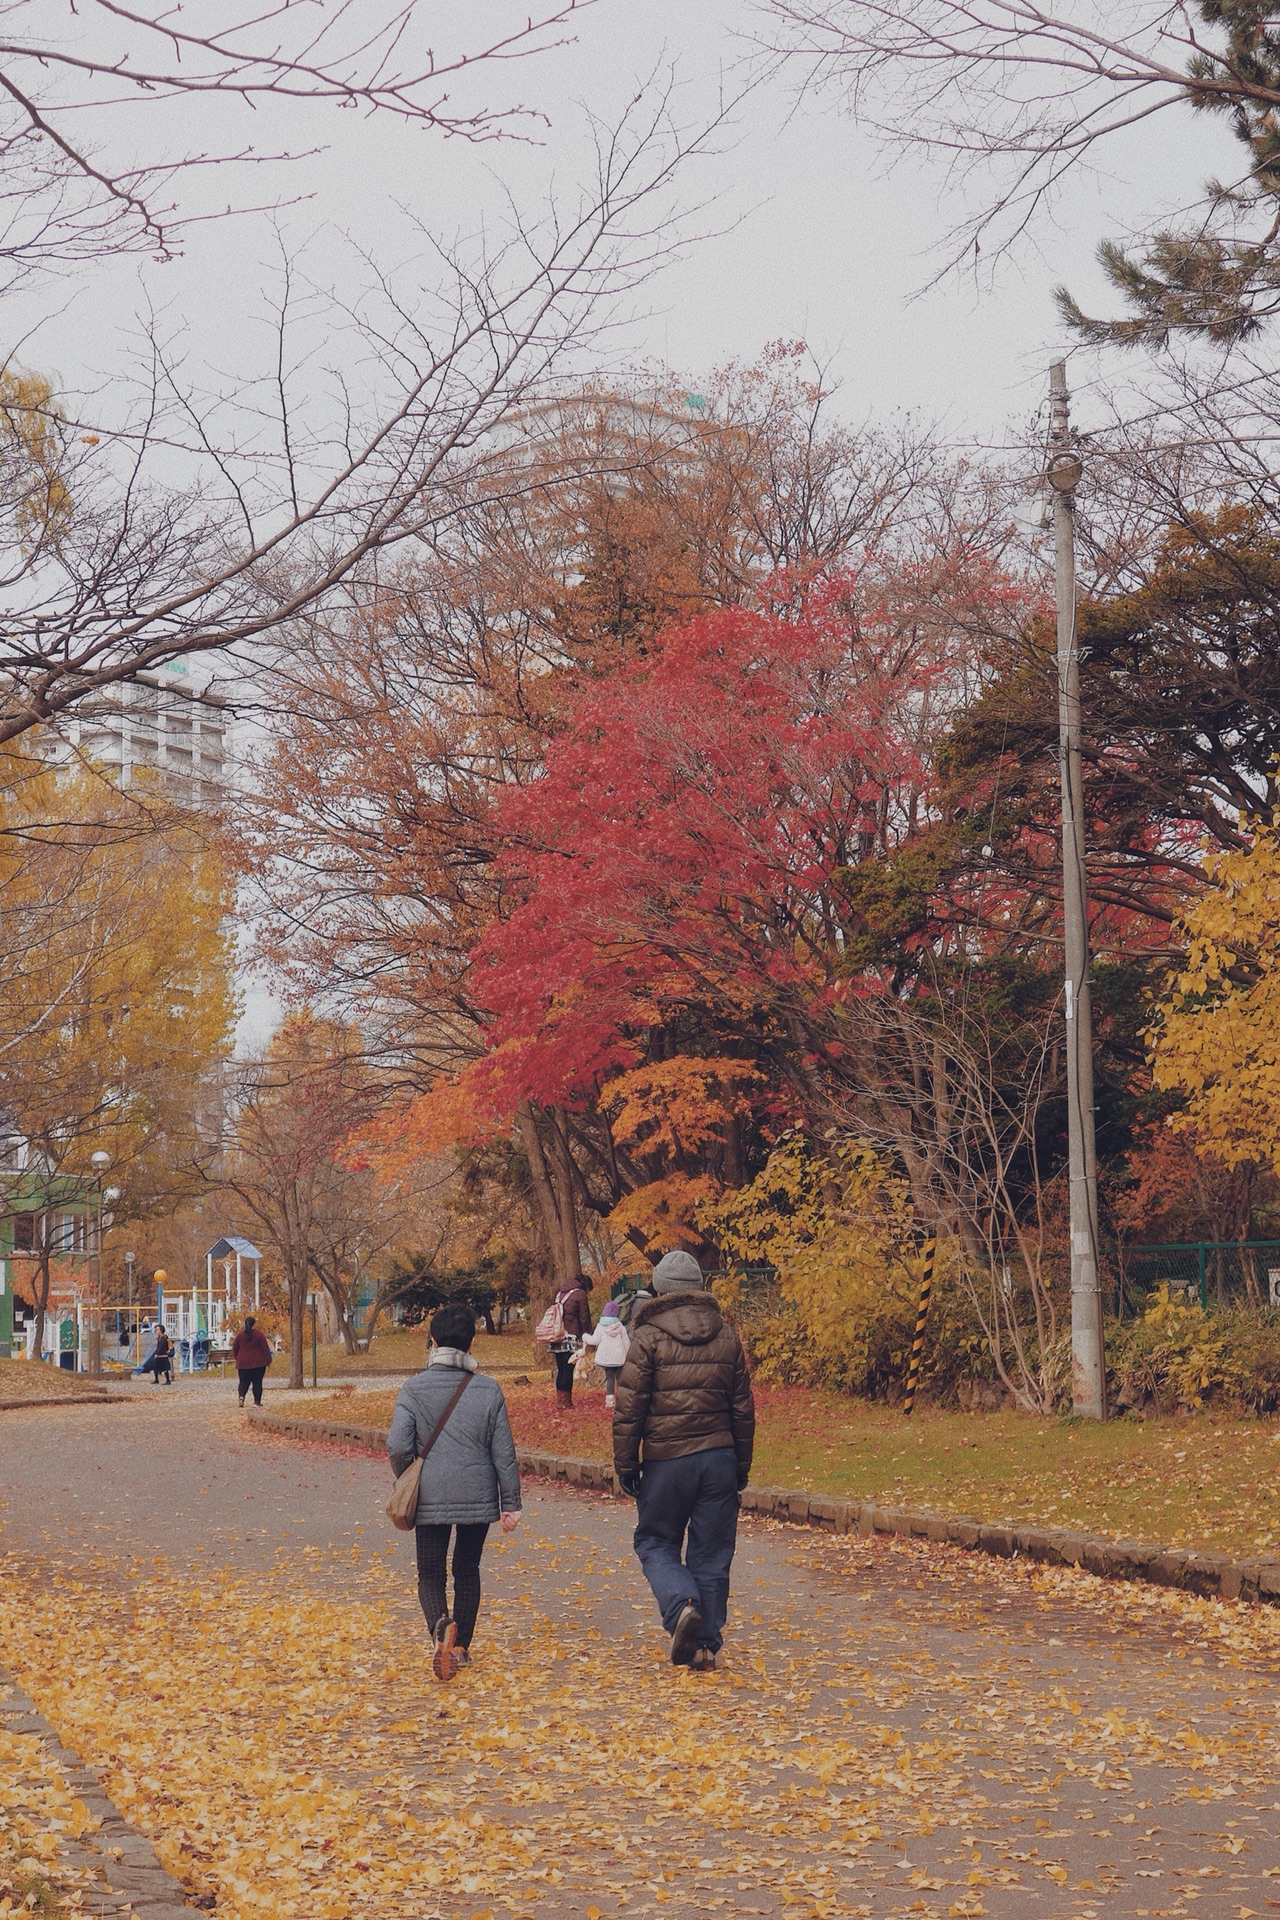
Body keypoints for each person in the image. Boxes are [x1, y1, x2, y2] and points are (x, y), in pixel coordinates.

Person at [613, 1249, 755, 1673]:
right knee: (712, 1554)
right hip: (718, 1460)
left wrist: (626, 1466)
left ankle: (680, 1610)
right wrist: (740, 1466)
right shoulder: (727, 1335)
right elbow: (743, 1409)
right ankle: (704, 1647)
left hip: (666, 1462)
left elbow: (629, 1410)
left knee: (654, 1541)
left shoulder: (647, 1337)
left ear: (659, 1289)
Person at [387, 1301, 522, 1682]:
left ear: (432, 1341)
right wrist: (510, 1503)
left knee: (430, 1573)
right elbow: (504, 1452)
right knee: (467, 1569)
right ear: (471, 1344)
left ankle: (439, 1626)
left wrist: (408, 1475)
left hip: (429, 1494)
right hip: (478, 1496)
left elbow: (398, 1444)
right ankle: (460, 1648)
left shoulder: (413, 1389)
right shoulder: (488, 1390)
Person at [548, 1272, 593, 1411]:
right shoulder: (580, 1294)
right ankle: (566, 1401)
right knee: (568, 1369)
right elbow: (584, 1317)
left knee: (561, 1369)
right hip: (570, 1336)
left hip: (557, 1335)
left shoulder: (560, 1293)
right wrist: (587, 1334)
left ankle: (560, 1399)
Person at [582, 1298, 630, 1408]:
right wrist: (627, 1354)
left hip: (607, 1358)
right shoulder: (620, 1326)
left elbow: (595, 1340)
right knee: (620, 1379)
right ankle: (623, 1399)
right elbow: (626, 1342)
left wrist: (585, 1336)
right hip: (619, 1358)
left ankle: (610, 1401)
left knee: (610, 1379)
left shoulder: (600, 1326)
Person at [232, 1315, 273, 1407]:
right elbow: (265, 1348)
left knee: (243, 1381)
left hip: (242, 1362)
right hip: (258, 1362)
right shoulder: (259, 1334)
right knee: (257, 1382)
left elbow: (234, 1347)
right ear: (254, 1324)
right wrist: (268, 1360)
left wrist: (238, 1358)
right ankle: (256, 1402)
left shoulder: (239, 1335)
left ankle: (241, 1396)